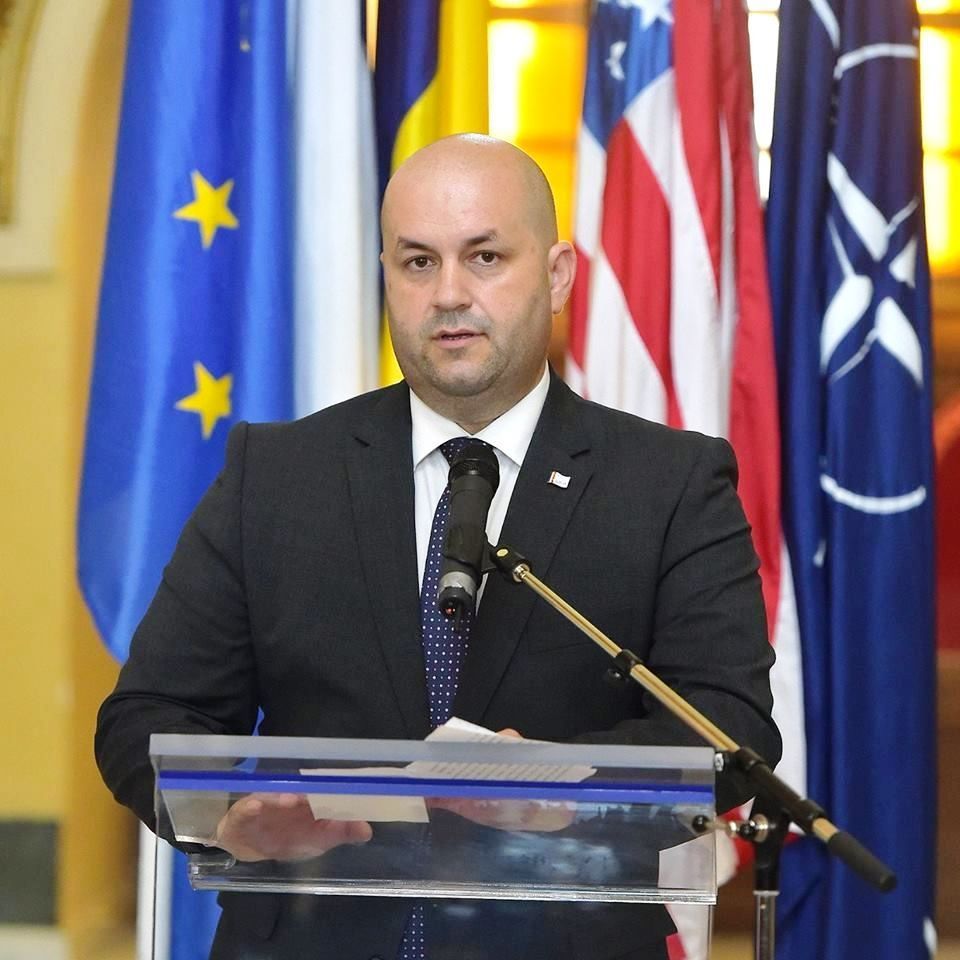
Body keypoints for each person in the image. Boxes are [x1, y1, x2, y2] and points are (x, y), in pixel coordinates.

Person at [96, 134, 781, 960]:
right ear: (386, 275)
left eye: (485, 257)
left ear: (558, 275)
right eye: (418, 263)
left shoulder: (669, 484)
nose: (450, 294)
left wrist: (562, 788)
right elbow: (146, 717)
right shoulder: (274, 476)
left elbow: (728, 727)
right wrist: (228, 815)